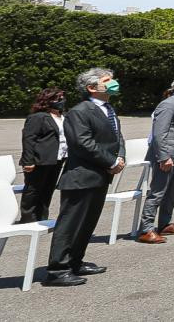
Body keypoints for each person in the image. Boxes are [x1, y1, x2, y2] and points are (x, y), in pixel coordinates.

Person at [44, 68, 126, 287]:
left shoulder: (108, 108)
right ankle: (58, 269)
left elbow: (118, 137)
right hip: (82, 176)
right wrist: (111, 162)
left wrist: (120, 157)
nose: (113, 83)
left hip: (100, 175)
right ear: (91, 87)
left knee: (88, 223)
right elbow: (82, 143)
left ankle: (75, 261)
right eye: (107, 81)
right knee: (70, 224)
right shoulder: (80, 111)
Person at [138, 75, 174, 244]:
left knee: (172, 192)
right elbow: (159, 134)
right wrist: (164, 157)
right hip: (166, 156)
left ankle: (164, 223)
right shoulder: (168, 105)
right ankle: (146, 229)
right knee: (157, 192)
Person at [19, 88, 67, 224]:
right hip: (39, 160)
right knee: (33, 190)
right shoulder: (38, 117)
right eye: (57, 98)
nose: (61, 101)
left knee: (47, 189)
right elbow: (28, 139)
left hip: (57, 159)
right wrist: (28, 161)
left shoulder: (63, 117)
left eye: (62, 98)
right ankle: (28, 219)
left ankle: (41, 218)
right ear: (47, 100)